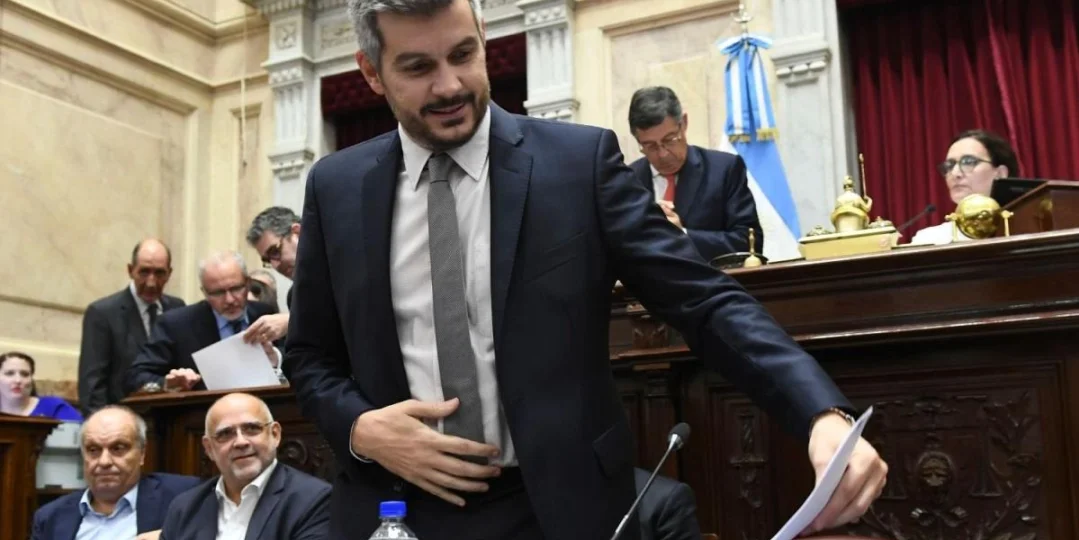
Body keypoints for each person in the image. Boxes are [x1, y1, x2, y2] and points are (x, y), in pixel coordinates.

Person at [285, 1, 887, 538]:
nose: (450, 85)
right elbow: (310, 355)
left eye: (463, 55)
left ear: (483, 36)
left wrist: (819, 413)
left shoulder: (578, 164)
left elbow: (704, 300)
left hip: (558, 507)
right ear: (371, 72)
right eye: (418, 67)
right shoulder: (336, 188)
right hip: (394, 510)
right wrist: (361, 428)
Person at [159, 393, 331, 539]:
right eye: (225, 434)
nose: (240, 442)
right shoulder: (184, 507)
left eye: (252, 428)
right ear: (209, 448)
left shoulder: (314, 500)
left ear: (275, 435)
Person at [627, 86, 763, 261]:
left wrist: (682, 234)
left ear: (683, 123)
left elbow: (749, 243)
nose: (663, 154)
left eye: (669, 139)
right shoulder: (628, 180)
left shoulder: (724, 169)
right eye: (650, 146)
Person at [32, 406, 200, 540]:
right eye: (93, 450)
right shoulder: (50, 517)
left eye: (118, 448)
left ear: (142, 453)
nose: (104, 461)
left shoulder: (184, 496)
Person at [124, 252, 280, 394]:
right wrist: (167, 384)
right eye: (218, 293)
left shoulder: (265, 314)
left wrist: (276, 358)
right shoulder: (176, 324)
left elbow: (288, 357)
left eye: (236, 289)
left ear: (247, 283)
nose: (229, 300)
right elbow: (136, 376)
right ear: (204, 292)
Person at [79, 239, 186, 416]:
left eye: (159, 273)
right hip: (123, 420)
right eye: (144, 272)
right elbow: (92, 384)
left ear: (169, 274)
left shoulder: (177, 308)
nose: (151, 282)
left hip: (170, 420)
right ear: (130, 270)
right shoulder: (103, 313)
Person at [911, 129, 1020, 245]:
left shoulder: (1027, 227)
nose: (955, 173)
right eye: (949, 165)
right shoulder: (930, 239)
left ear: (1000, 173)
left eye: (968, 162)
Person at [243, 207, 301, 345]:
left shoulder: (343, 265)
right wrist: (274, 356)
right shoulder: (294, 296)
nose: (275, 265)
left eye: (275, 251)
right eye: (268, 260)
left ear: (297, 233)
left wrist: (291, 321)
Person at [0, 351, 82, 421]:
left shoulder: (54, 407)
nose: (18, 380)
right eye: (9, 374)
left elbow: (78, 432)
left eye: (25, 374)